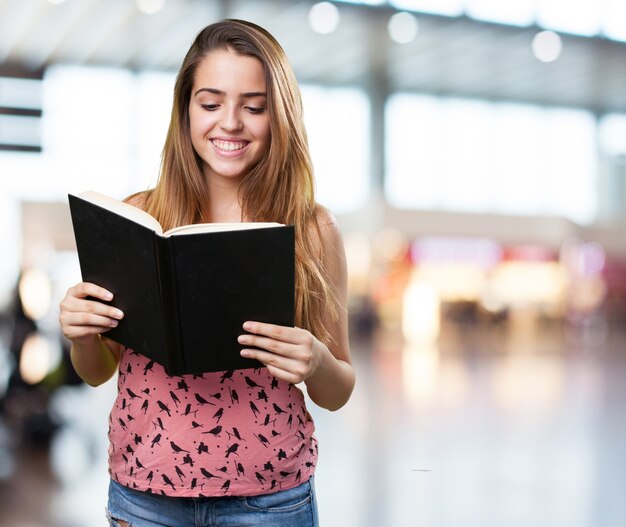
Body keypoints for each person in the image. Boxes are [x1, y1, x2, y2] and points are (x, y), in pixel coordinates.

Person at [58, 18, 354, 527]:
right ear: (185, 110)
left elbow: (338, 389)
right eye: (211, 103)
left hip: (268, 499)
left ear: (278, 115)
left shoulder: (312, 227)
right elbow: (97, 371)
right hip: (143, 494)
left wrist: (318, 361)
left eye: (254, 107)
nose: (230, 123)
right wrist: (82, 334)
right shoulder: (138, 216)